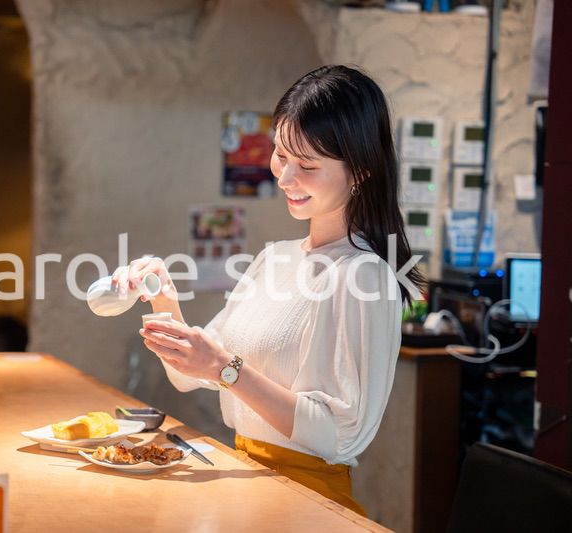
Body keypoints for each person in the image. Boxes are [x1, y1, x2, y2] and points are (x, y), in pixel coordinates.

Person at [115, 65, 425, 515]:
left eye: (308, 165)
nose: (284, 177)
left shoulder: (366, 276)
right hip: (246, 482)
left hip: (307, 502)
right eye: (280, 155)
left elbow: (341, 434)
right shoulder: (275, 258)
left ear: (361, 171)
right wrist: (164, 299)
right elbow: (190, 374)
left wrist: (225, 368)